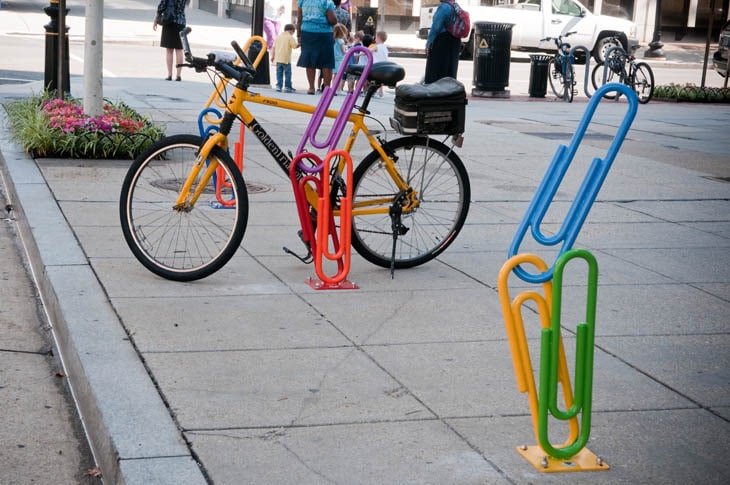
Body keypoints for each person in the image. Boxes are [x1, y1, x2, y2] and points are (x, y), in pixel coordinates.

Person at [296, 0, 338, 95]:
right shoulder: (327, 2)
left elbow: (299, 19)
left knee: (310, 60)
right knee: (326, 62)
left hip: (307, 32)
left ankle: (311, 87)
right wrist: (336, 19)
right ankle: (327, 88)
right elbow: (332, 20)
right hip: (324, 34)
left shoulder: (302, 1)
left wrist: (299, 34)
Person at [424, 0, 461, 84]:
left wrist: (429, 43)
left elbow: (436, 27)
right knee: (450, 69)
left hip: (442, 40)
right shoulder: (456, 7)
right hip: (455, 40)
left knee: (436, 69)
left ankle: (434, 91)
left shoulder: (444, 7)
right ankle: (449, 90)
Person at [153, 0, 190, 81]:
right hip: (181, 22)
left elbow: (162, 5)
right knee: (179, 50)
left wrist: (156, 19)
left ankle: (169, 75)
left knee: (169, 50)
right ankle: (178, 76)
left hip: (169, 21)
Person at [272, 24, 299, 93]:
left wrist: (273, 57)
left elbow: (273, 48)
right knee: (287, 74)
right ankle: (287, 87)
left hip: (278, 59)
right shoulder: (290, 37)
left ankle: (279, 86)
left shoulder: (278, 37)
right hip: (286, 59)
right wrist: (300, 44)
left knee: (279, 73)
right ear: (292, 31)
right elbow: (294, 46)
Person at [370, 30, 389, 97]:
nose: (375, 39)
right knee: (380, 80)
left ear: (378, 37)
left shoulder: (377, 46)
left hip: (376, 66)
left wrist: (358, 54)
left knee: (375, 80)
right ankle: (380, 92)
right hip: (384, 66)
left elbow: (368, 51)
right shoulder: (385, 47)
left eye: (375, 37)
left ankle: (374, 92)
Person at [332, 24, 349, 95]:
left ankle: (334, 88)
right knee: (339, 76)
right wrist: (348, 51)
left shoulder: (334, 40)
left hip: (334, 59)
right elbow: (343, 51)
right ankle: (338, 89)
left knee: (335, 76)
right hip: (340, 60)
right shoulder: (341, 41)